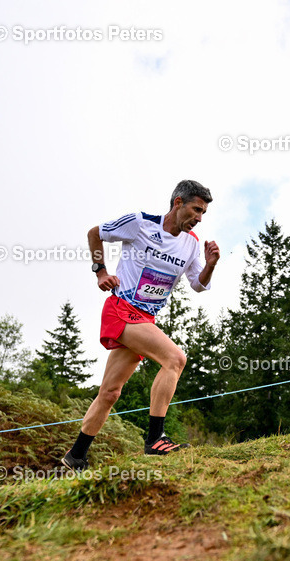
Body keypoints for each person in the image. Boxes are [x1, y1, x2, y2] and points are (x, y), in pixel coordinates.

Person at [61, 180, 220, 470]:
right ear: (177, 203)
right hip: (121, 310)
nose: (199, 218)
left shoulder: (191, 244)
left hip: (144, 320)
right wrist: (101, 272)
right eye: (196, 209)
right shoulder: (140, 223)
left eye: (203, 213)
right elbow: (95, 233)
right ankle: (155, 438)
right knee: (174, 358)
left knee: (109, 393)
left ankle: (76, 456)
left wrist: (210, 264)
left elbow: (198, 284)